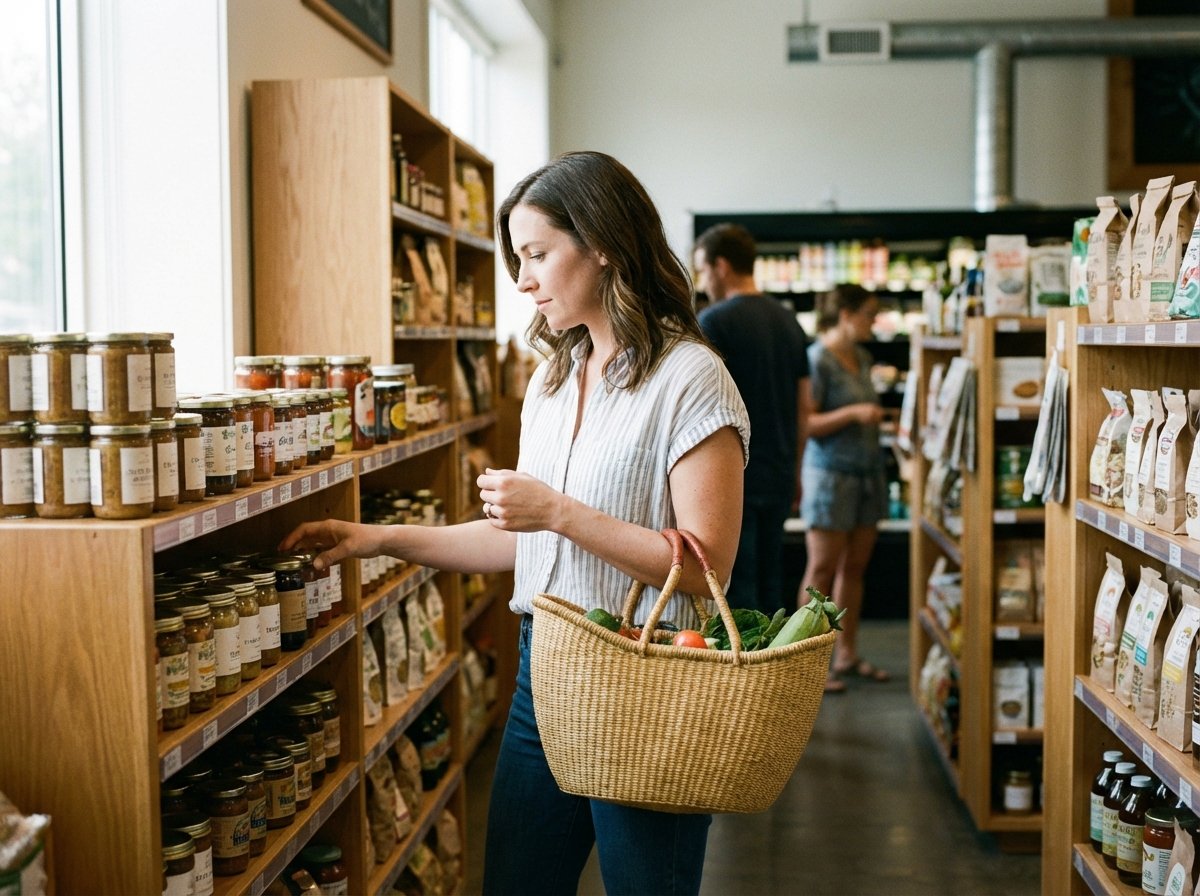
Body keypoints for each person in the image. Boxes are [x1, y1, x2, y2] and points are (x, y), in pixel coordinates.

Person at [280, 150, 750, 896]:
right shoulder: (555, 378)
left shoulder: (690, 378)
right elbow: (514, 537)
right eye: (518, 258)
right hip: (542, 676)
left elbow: (704, 568)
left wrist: (560, 513)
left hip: (644, 677)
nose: (523, 280)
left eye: (536, 255)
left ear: (601, 244)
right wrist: (374, 540)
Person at [693, 223, 811, 615]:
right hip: (777, 470)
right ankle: (780, 674)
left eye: (703, 270)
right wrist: (796, 470)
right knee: (772, 585)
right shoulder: (789, 322)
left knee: (736, 593)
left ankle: (745, 679)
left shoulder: (714, 322)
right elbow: (803, 405)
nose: (703, 281)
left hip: (732, 477)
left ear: (721, 266)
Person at [797, 283, 889, 693]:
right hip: (830, 476)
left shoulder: (864, 357)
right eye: (869, 313)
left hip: (867, 474)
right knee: (821, 571)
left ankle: (847, 653)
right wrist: (854, 412)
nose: (874, 321)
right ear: (846, 315)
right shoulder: (817, 359)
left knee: (854, 568)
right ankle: (803, 662)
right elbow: (808, 424)